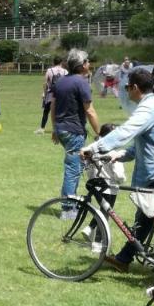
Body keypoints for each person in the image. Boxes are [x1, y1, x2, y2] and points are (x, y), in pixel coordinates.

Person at [81, 67, 154, 272]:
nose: (127, 91)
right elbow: (143, 145)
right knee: (144, 219)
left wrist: (94, 147)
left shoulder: (148, 109)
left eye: (127, 87)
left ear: (135, 88)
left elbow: (126, 131)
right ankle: (123, 259)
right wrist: (118, 154)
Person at [52, 49, 99, 214]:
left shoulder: (60, 82)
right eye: (87, 61)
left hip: (62, 129)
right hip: (74, 131)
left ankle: (71, 201)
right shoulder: (81, 83)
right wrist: (99, 133)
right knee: (73, 169)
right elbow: (90, 111)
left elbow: (53, 106)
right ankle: (68, 208)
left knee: (74, 167)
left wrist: (54, 128)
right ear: (82, 65)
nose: (89, 64)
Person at [36, 57, 66, 134]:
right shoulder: (65, 71)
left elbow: (45, 83)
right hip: (62, 94)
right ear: (61, 62)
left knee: (46, 111)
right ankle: (62, 128)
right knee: (62, 112)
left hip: (51, 94)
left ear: (53, 62)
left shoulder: (49, 71)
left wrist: (44, 93)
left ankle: (42, 128)